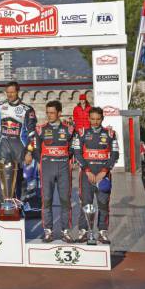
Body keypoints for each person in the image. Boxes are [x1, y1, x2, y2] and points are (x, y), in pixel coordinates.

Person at [72, 107, 118, 244]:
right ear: (89, 119)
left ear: (102, 119)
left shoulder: (110, 134)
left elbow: (115, 154)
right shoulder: (81, 133)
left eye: (98, 119)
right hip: (87, 175)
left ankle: (102, 232)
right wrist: (87, 170)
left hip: (103, 176)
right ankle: (83, 231)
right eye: (93, 119)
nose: (95, 121)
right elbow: (77, 153)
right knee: (86, 203)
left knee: (103, 204)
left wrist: (104, 171)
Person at [32, 100, 76, 243]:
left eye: (52, 113)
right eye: (47, 113)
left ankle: (65, 231)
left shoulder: (69, 129)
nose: (49, 115)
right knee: (47, 200)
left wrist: (68, 158)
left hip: (63, 167)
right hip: (47, 167)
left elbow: (73, 148)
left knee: (65, 200)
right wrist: (39, 161)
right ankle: (48, 231)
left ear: (59, 113)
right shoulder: (40, 129)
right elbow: (35, 148)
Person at [0, 81, 37, 203]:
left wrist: (29, 152)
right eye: (8, 92)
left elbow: (32, 134)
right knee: (3, 177)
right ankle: (5, 205)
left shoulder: (27, 109)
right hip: (4, 147)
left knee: (18, 178)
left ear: (17, 92)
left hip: (19, 148)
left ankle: (18, 205)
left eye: (12, 92)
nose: (10, 94)